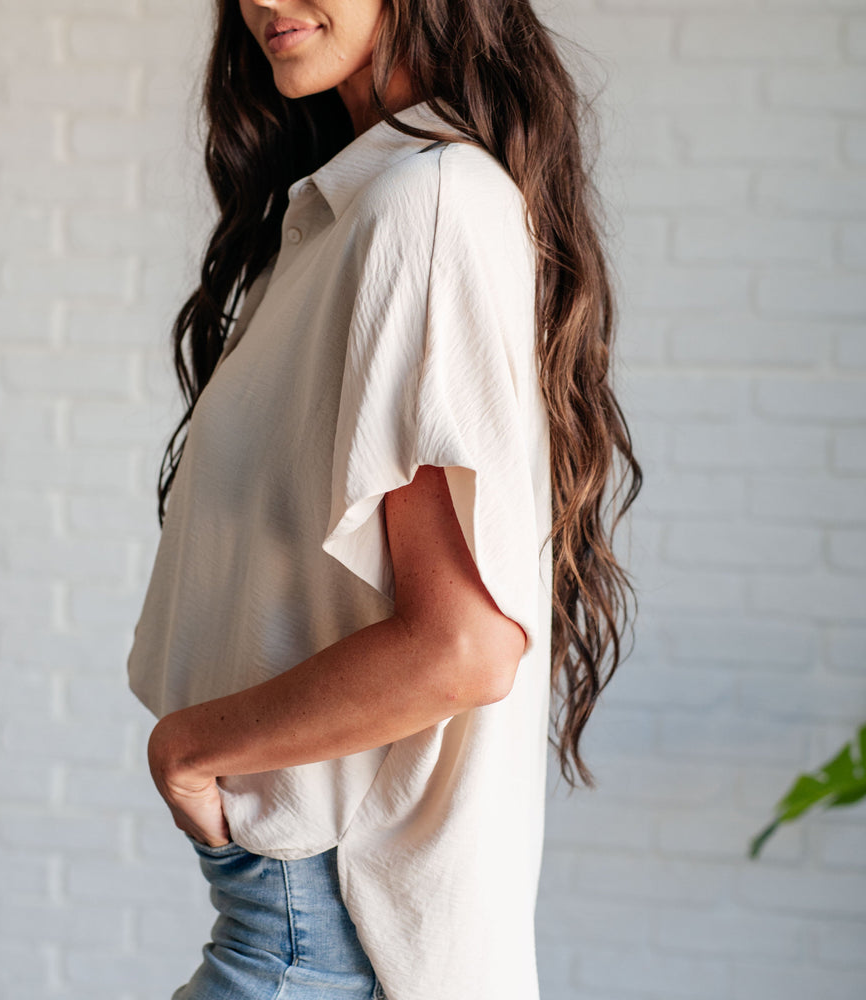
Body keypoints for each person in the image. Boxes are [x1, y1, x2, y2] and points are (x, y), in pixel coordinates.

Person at [127, 1, 642, 998]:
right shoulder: (352, 205)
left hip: (320, 933)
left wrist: (186, 746)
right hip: (289, 923)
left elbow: (459, 646)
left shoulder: (429, 200)